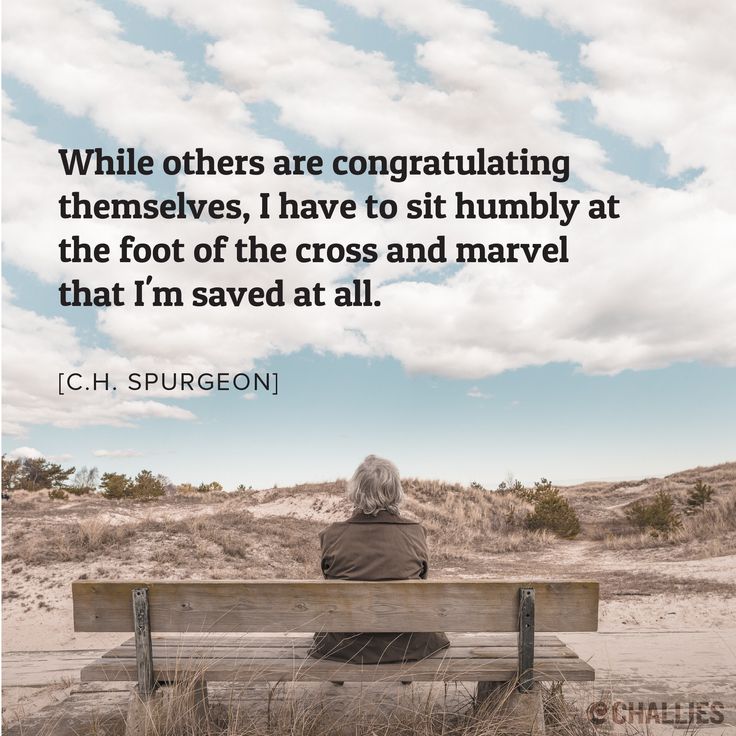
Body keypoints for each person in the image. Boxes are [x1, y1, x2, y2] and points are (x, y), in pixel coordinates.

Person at [308, 455, 450, 664]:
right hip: (408, 643)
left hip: (345, 646)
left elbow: (330, 579)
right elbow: (422, 581)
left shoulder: (332, 535)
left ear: (356, 491)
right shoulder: (416, 533)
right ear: (395, 491)